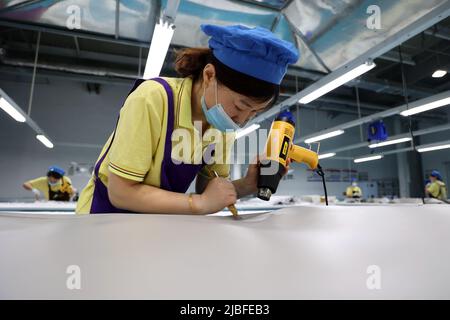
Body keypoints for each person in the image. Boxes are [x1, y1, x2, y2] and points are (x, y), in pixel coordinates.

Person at [76, 24, 299, 214]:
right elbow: (121, 192)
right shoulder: (152, 99)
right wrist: (198, 204)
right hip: (103, 215)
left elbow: (209, 190)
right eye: (242, 106)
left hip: (154, 221)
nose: (242, 120)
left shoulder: (223, 126)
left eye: (255, 113)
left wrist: (247, 185)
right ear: (209, 75)